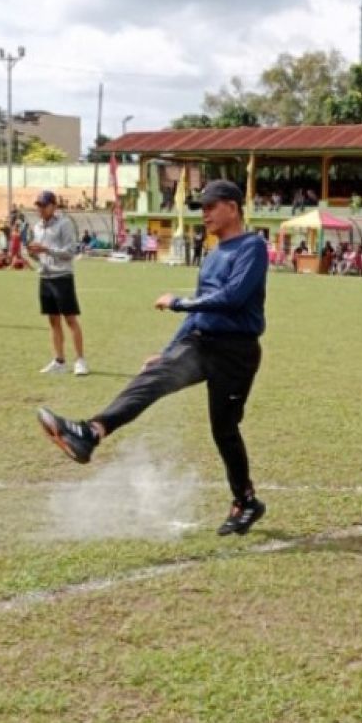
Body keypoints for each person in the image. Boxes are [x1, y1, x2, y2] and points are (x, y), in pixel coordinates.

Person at [36, 180, 270, 537]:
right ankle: (91, 432)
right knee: (151, 380)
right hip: (200, 342)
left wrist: (178, 301)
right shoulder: (212, 255)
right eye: (201, 207)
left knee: (224, 430)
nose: (204, 214)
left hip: (236, 352)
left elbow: (233, 297)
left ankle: (246, 501)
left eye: (210, 206)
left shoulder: (252, 247)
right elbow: (199, 310)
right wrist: (167, 350)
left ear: (233, 207)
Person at [27, 190, 88, 376]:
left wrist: (47, 249)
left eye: (44, 205)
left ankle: (80, 360)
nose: (40, 209)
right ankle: (59, 360)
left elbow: (70, 252)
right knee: (53, 320)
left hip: (62, 277)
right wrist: (33, 254)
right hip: (45, 277)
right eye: (38, 205)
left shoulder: (64, 224)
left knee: (70, 319)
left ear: (53, 206)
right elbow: (40, 254)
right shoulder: (37, 227)